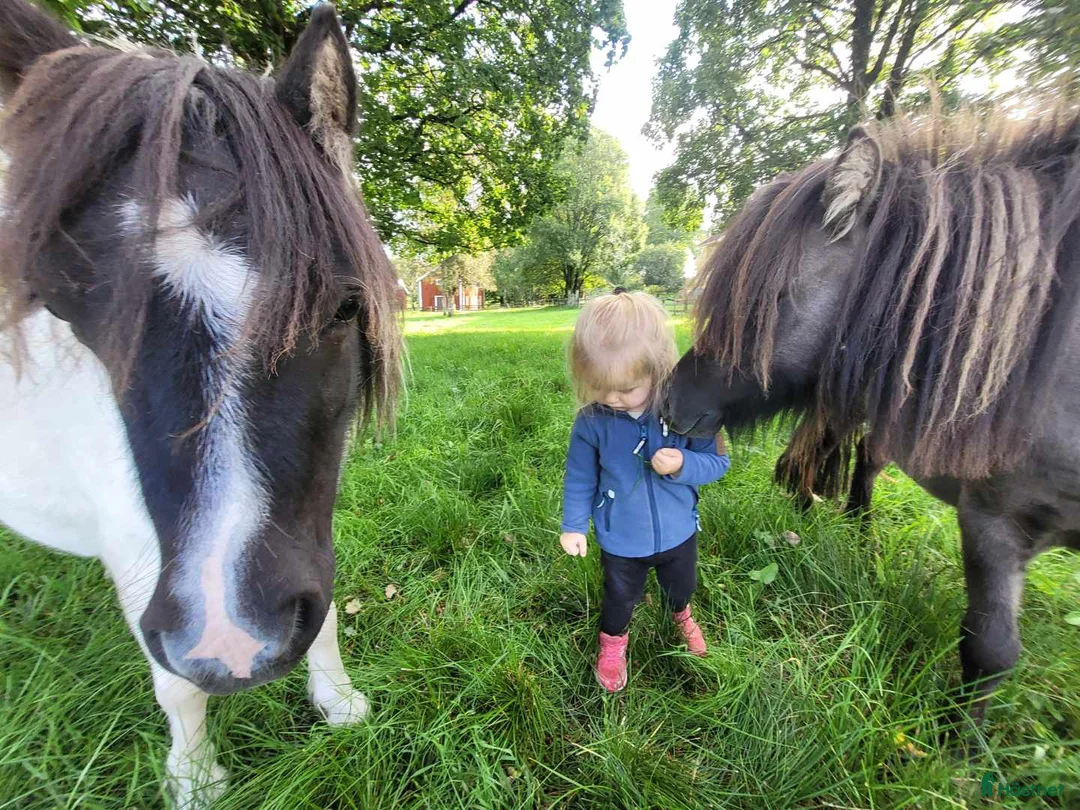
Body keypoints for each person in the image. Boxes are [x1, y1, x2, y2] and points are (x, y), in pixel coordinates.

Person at [560, 289, 730, 692]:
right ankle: (613, 643)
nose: (613, 399)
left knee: (681, 583)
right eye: (600, 387)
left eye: (627, 388)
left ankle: (682, 614)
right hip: (621, 538)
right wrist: (573, 526)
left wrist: (684, 465)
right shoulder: (591, 423)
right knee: (619, 598)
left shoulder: (687, 414)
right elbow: (579, 477)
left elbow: (718, 463)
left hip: (678, 532)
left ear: (657, 370)